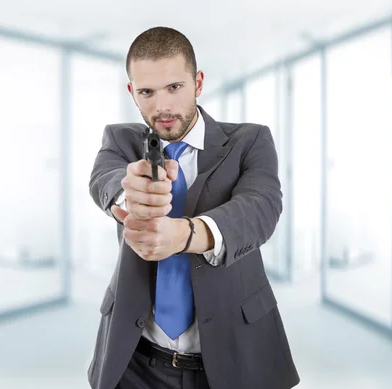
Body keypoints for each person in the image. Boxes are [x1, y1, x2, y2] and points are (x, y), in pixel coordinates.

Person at [87, 26, 300, 389]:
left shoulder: (250, 141)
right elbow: (104, 179)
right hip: (135, 362)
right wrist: (131, 195)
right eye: (147, 92)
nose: (162, 106)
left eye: (174, 87)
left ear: (198, 83)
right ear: (132, 94)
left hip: (235, 360)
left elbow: (261, 207)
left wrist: (186, 235)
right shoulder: (120, 140)